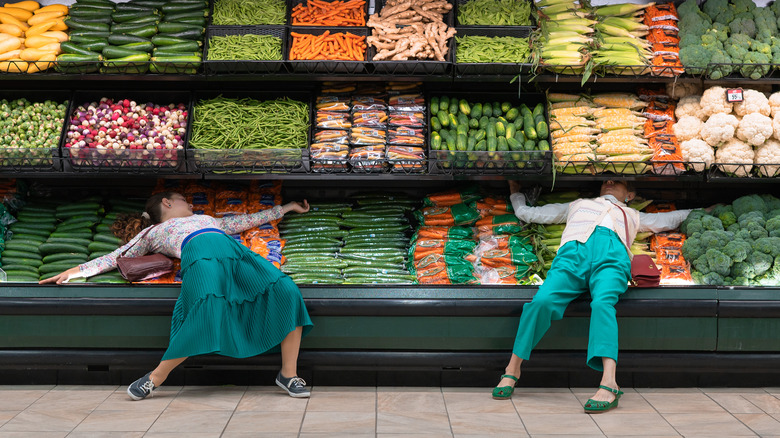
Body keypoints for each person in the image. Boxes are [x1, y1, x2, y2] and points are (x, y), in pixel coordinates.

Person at [41, 191, 314, 400]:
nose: (191, 205)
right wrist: (74, 271)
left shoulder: (206, 220)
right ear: (167, 203)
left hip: (237, 254)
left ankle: (288, 375)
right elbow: (115, 257)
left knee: (286, 291)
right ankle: (155, 377)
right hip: (199, 258)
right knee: (206, 308)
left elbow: (246, 221)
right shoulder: (152, 232)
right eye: (184, 200)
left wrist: (288, 208)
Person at [494, 180, 708, 413]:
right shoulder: (577, 204)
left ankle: (609, 382)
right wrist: (515, 192)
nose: (609, 182)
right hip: (572, 257)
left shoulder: (633, 215)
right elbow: (529, 213)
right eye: (606, 180)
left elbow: (672, 218)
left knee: (603, 304)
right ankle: (513, 369)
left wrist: (708, 210)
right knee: (541, 301)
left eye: (618, 181)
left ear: (630, 194)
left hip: (612, 259)